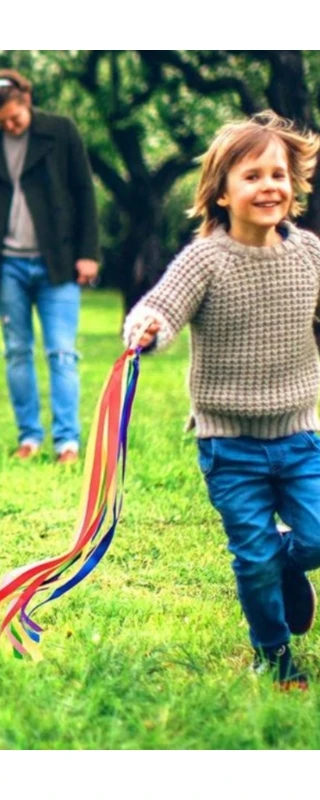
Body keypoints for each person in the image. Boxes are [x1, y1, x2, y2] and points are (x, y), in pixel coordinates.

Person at [124, 111, 320, 689]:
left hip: (300, 435)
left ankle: (288, 563)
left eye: (278, 175)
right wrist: (147, 328)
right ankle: (273, 652)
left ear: (294, 184)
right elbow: (160, 306)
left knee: (314, 538)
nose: (269, 187)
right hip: (228, 445)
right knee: (252, 560)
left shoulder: (309, 254)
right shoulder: (205, 259)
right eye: (252, 176)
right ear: (221, 191)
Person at [0, 68, 100, 464]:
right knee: (17, 351)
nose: (10, 125)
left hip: (58, 262)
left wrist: (88, 253)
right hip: (6, 266)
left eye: (15, 117)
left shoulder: (61, 132)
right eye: (1, 120)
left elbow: (84, 192)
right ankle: (29, 437)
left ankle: (67, 442)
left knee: (61, 351)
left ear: (26, 100)